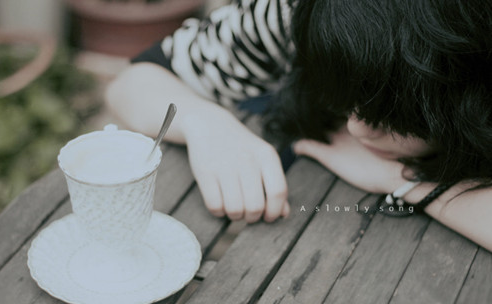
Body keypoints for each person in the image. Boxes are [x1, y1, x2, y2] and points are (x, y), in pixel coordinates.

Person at [106, 0, 492, 251]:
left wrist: (403, 181)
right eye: (343, 98)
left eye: (397, 114)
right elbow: (132, 82)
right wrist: (204, 122)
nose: (356, 129)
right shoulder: (295, 10)